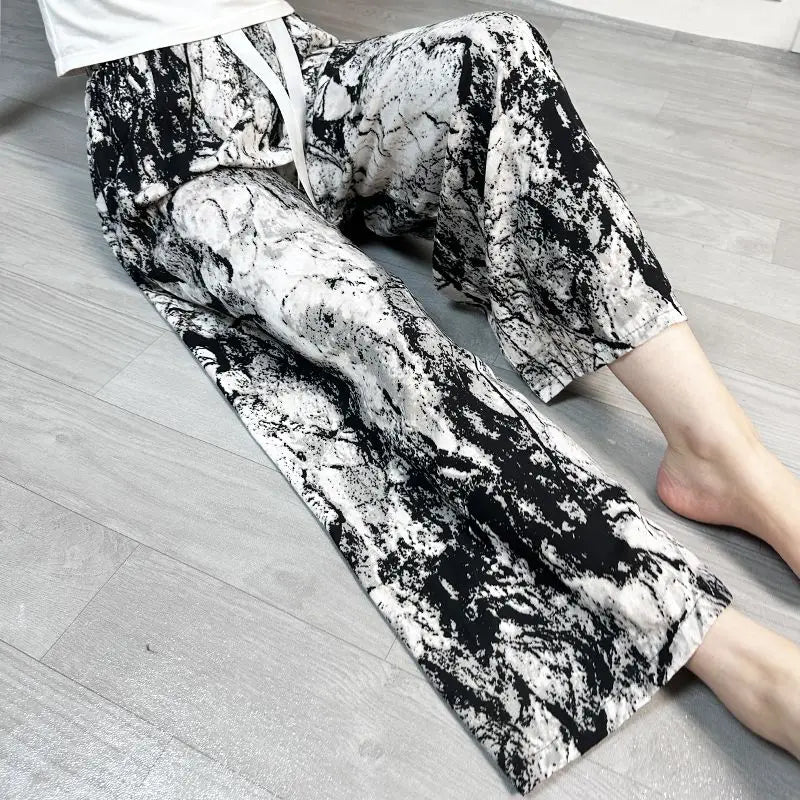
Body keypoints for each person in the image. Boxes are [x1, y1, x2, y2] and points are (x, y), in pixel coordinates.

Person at [35, 0, 800, 793]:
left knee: (497, 50)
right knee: (374, 329)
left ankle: (724, 455)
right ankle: (718, 644)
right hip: (171, 140)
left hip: (300, 69)